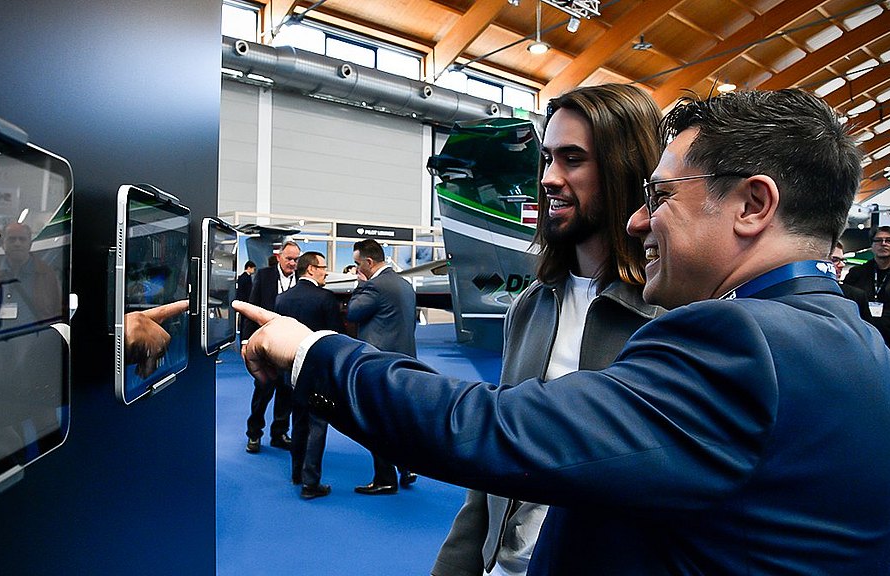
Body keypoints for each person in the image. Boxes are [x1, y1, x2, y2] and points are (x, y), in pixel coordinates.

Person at [236, 89, 890, 574]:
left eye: (662, 197)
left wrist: (312, 353)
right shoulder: (856, 342)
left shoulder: (736, 342)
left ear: (754, 205)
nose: (643, 222)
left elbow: (497, 432)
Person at [432, 84, 664, 576]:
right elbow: (495, 455)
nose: (548, 179)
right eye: (546, 158)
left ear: (625, 171)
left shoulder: (671, 318)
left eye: (572, 160)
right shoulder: (530, 307)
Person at [347, 238, 417, 495]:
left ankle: (385, 479)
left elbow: (353, 312)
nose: (356, 269)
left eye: (357, 264)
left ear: (368, 262)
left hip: (379, 365)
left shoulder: (374, 286)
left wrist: (359, 285)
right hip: (406, 362)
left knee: (375, 421)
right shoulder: (404, 284)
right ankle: (407, 466)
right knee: (399, 418)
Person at [274, 251, 342, 499]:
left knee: (298, 420)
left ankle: (296, 473)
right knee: (318, 424)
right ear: (311, 269)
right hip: (317, 371)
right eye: (323, 267)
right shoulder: (326, 299)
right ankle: (310, 482)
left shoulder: (282, 299)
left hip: (290, 369)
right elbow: (336, 337)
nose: (326, 272)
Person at [240, 241, 300, 454]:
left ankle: (279, 433)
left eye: (296, 259)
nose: (292, 263)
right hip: (265, 346)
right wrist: (246, 342)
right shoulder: (264, 276)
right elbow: (251, 308)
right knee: (263, 391)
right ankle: (254, 434)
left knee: (286, 392)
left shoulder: (301, 279)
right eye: (289, 259)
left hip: (290, 347)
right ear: (279, 257)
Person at [843, 226, 890, 379]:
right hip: (866, 344)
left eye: (889, 240)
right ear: (871, 246)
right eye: (878, 240)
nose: (883, 244)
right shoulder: (856, 274)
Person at [0, 222, 61, 326]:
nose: (17, 243)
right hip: (1, 340)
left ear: (30, 244)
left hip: (38, 340)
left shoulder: (46, 275)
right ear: (3, 244)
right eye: (12, 239)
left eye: (22, 239)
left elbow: (59, 312)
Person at [830, 240, 869, 320]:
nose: (842, 265)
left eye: (842, 260)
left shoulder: (855, 296)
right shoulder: (799, 291)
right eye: (834, 260)